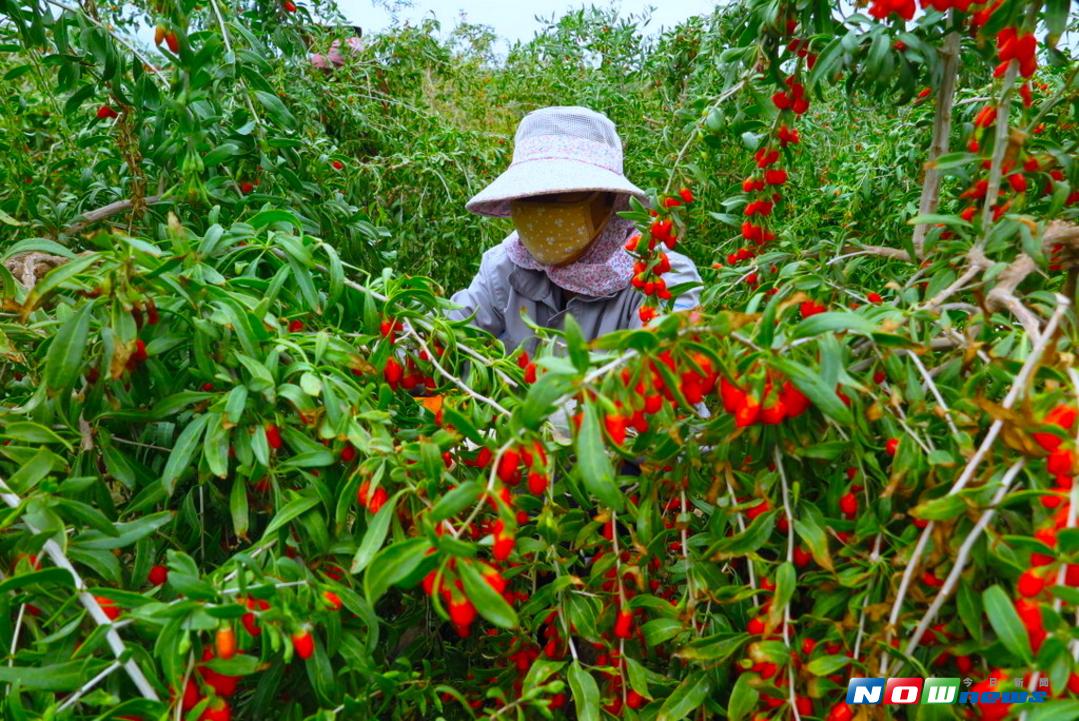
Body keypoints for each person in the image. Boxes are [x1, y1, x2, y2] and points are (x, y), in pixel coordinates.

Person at [448, 106, 701, 352]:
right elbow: (444, 341)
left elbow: (655, 376)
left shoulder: (660, 278)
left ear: (607, 201)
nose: (540, 210)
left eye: (561, 194)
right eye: (529, 197)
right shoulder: (504, 267)